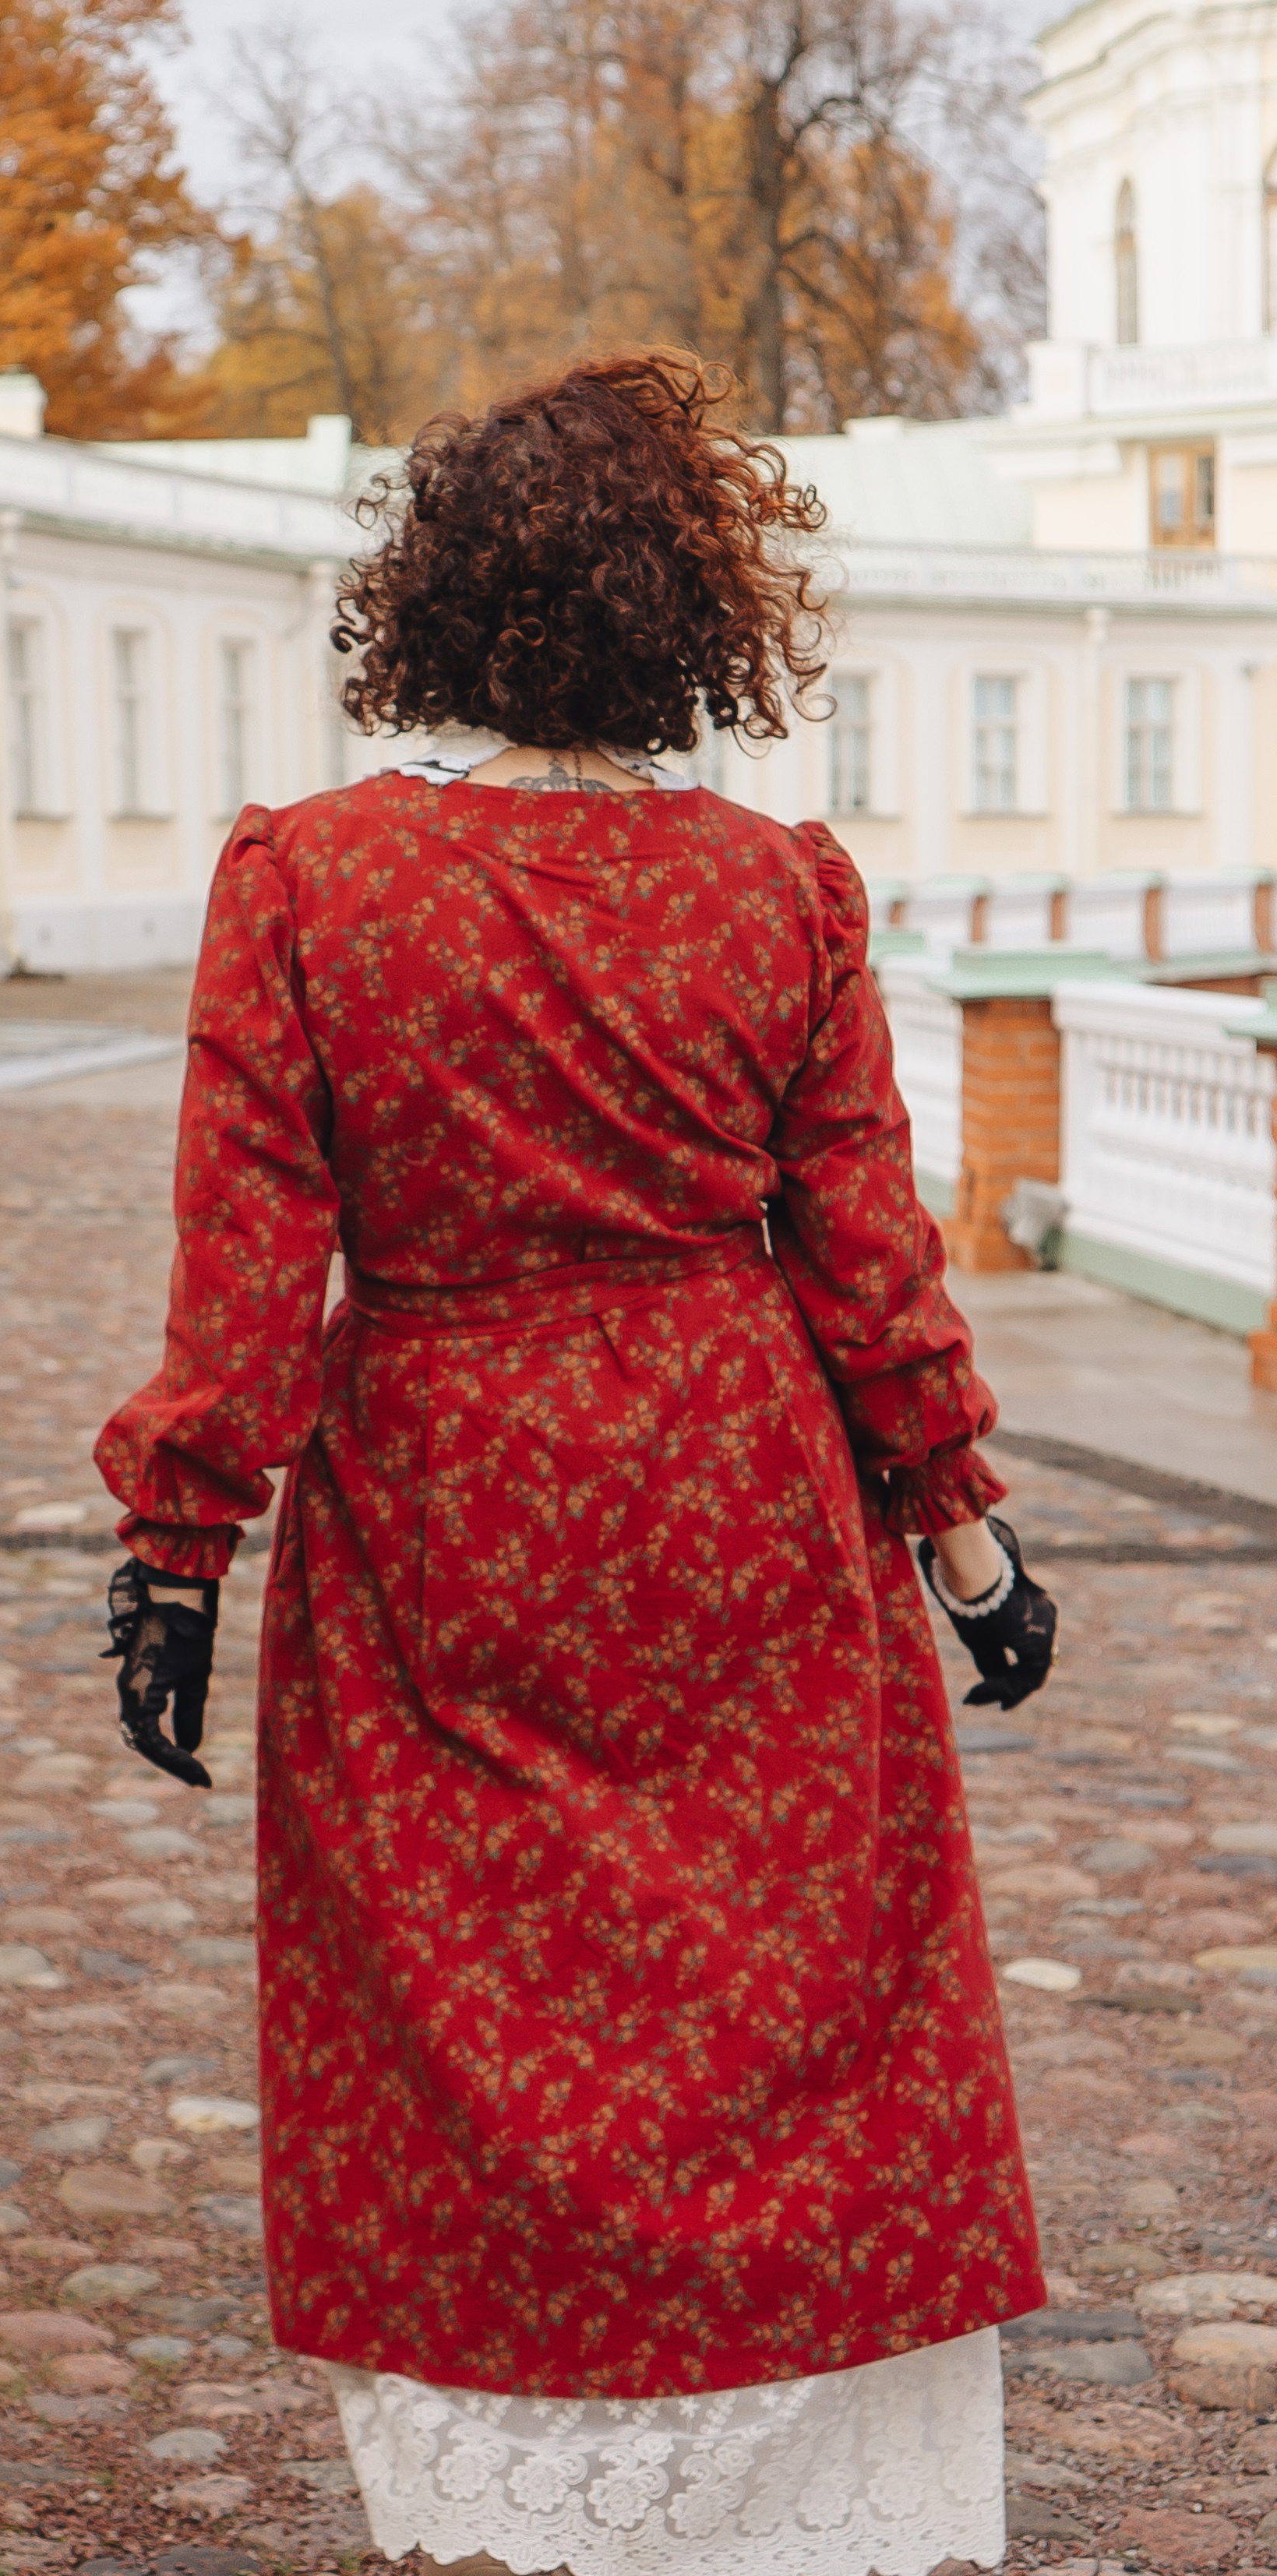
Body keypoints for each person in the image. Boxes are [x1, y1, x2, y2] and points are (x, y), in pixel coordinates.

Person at [95, 351, 1056, 2576]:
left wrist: (176, 1555)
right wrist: (968, 1539)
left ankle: (519, 2509)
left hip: (446, 1493)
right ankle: (781, 2498)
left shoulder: (316, 881)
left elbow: (249, 1259)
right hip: (745, 1487)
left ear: (427, 600)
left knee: (460, 1997)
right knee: (787, 1994)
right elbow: (869, 1252)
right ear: (694, 612)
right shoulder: (779, 892)